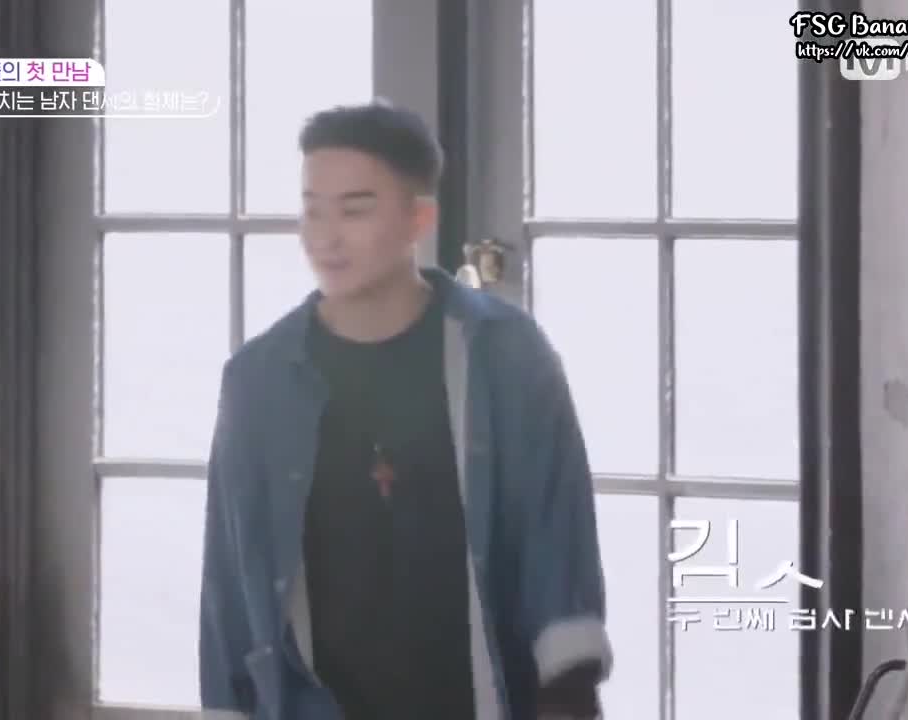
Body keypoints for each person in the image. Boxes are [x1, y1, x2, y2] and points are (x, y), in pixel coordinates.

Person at [199, 100, 611, 720]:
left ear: (418, 218)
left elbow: (557, 530)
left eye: (355, 210)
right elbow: (230, 579)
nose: (326, 237)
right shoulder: (258, 380)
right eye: (313, 209)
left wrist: (568, 691)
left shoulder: (503, 352)